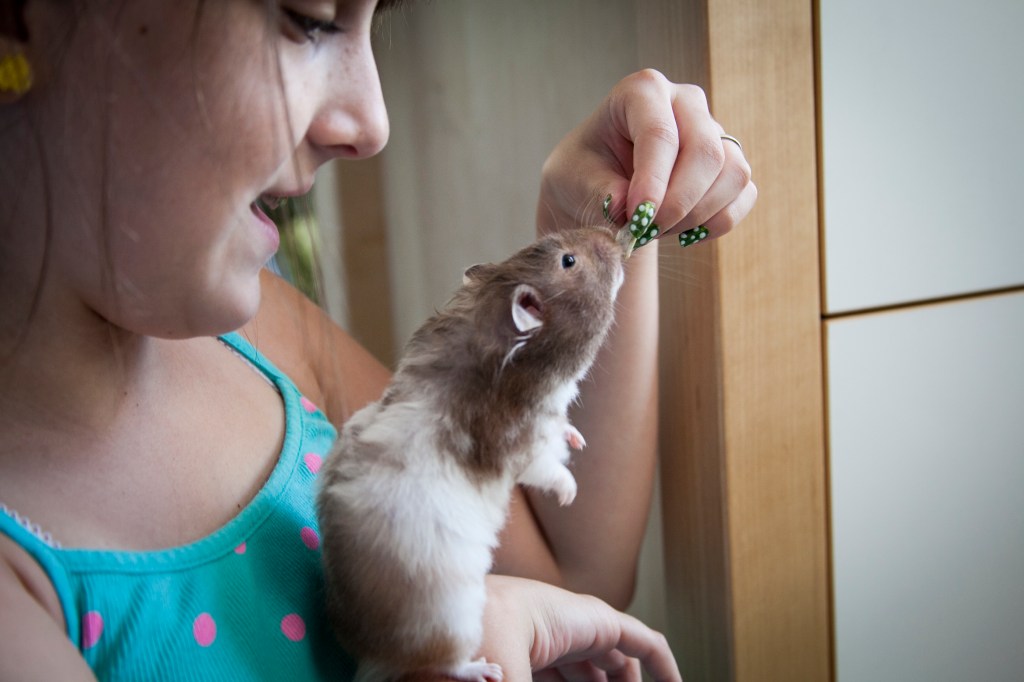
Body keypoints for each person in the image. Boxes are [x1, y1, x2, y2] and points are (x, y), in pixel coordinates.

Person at [0, 1, 756, 680]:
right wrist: (471, 648)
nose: (373, 121)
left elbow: (575, 581)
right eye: (309, 18)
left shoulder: (256, 325)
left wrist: (607, 222)